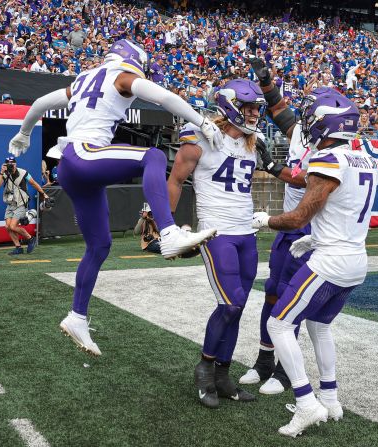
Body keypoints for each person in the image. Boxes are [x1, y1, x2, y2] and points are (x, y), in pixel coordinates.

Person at [7, 39, 222, 357]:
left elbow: (39, 103)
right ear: (134, 60)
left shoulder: (82, 78)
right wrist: (201, 120)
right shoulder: (123, 76)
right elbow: (163, 97)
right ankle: (168, 232)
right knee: (152, 157)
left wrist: (24, 133)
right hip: (85, 154)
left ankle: (77, 317)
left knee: (100, 245)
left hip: (71, 167)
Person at [251, 91, 378, 438]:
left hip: (331, 263)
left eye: (312, 118)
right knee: (320, 327)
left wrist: (266, 220)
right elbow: (343, 211)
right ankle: (331, 397)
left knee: (279, 325)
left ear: (327, 122)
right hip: (355, 260)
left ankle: (307, 403)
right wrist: (316, 237)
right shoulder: (366, 160)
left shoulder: (328, 160)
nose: (307, 123)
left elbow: (298, 217)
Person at [168, 78, 265, 409]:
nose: (253, 114)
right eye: (248, 107)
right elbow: (175, 180)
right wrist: (167, 226)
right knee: (230, 304)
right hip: (216, 232)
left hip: (246, 233)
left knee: (238, 309)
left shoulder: (254, 144)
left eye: (256, 108)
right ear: (228, 105)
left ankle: (223, 376)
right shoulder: (200, 138)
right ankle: (205, 367)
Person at [239, 60, 324, 397]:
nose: (303, 115)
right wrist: (265, 81)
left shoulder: (331, 144)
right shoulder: (302, 132)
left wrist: (273, 166)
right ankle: (263, 360)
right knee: (271, 291)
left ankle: (285, 371)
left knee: (291, 298)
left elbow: (309, 179)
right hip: (287, 228)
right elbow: (277, 108)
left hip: (308, 230)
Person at [0, 156, 48, 255]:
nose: (11, 166)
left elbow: (33, 183)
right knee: (7, 227)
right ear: (6, 165)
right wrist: (2, 172)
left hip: (21, 203)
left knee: (13, 226)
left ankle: (30, 238)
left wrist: (43, 193)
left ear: (16, 164)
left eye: (13, 164)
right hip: (10, 204)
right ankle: (18, 247)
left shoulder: (23, 173)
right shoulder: (5, 174)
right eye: (9, 164)